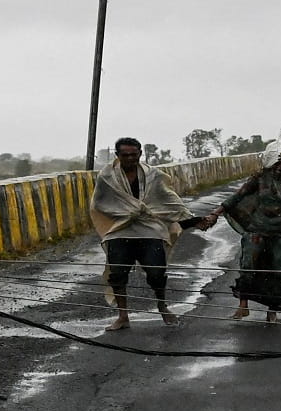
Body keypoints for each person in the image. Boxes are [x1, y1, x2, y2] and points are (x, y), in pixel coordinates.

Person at [90, 137, 212, 330]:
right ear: (117, 155)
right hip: (120, 229)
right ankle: (123, 316)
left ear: (140, 154)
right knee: (118, 274)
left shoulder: (153, 175)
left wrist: (192, 220)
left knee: (156, 272)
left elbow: (169, 201)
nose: (130, 158)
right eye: (125, 155)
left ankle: (162, 306)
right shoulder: (107, 177)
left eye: (133, 154)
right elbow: (99, 203)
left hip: (150, 229)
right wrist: (126, 212)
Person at [215, 132, 281, 324]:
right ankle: (243, 306)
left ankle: (272, 311)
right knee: (248, 265)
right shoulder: (261, 178)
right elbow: (239, 195)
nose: (279, 168)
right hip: (258, 229)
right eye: (277, 164)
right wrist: (216, 212)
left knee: (280, 271)